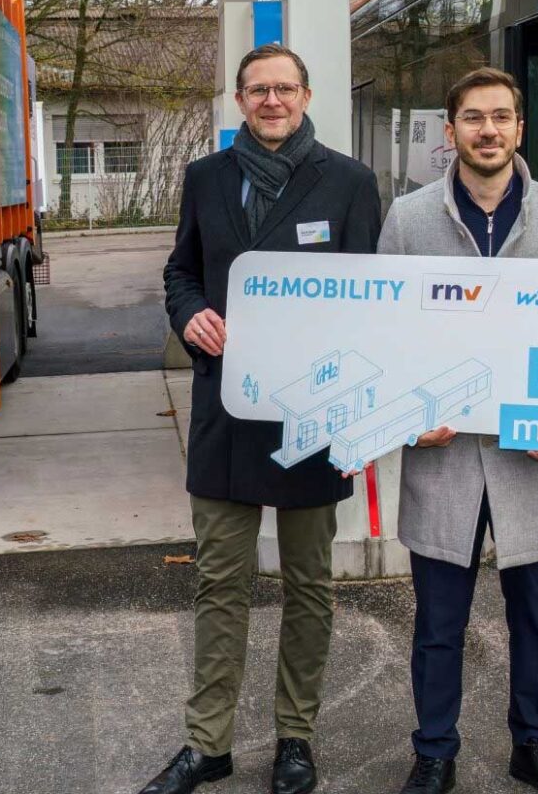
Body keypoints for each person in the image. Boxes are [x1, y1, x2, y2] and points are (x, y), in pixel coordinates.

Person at [151, 42, 384, 794]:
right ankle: (207, 742)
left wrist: (356, 416)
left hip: (311, 414)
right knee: (219, 583)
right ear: (240, 100)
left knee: (309, 586)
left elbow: (370, 303)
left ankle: (295, 737)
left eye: (285, 89)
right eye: (259, 90)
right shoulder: (205, 178)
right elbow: (181, 270)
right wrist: (190, 318)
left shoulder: (348, 184)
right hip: (226, 411)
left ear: (307, 96)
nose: (272, 101)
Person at [374, 67, 538, 794]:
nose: (489, 130)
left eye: (501, 117)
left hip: (534, 458)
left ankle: (534, 746)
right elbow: (385, 339)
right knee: (439, 623)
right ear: (450, 133)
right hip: (444, 459)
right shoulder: (408, 220)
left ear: (521, 129)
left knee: (536, 619)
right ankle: (433, 750)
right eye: (473, 118)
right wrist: (411, 418)